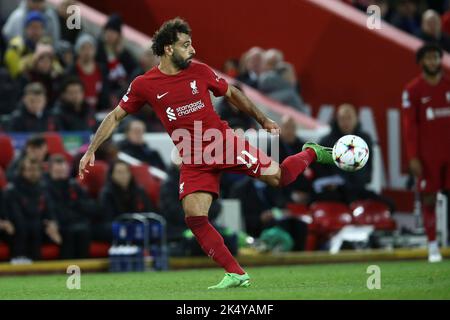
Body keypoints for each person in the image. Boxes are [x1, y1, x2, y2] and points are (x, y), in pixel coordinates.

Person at [78, 18, 334, 289]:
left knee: (280, 178)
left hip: (222, 143)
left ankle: (312, 153)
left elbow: (232, 93)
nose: (192, 50)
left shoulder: (199, 71)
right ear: (167, 49)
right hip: (192, 157)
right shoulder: (144, 84)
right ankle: (236, 273)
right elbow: (116, 115)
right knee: (194, 217)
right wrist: (91, 150)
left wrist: (263, 119)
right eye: (185, 45)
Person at [402, 43, 450, 263]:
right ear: (421, 62)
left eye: (436, 57)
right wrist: (413, 156)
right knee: (429, 199)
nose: (433, 62)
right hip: (427, 156)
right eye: (429, 58)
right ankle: (433, 246)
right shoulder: (413, 90)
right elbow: (410, 125)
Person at [3, 157, 61, 261]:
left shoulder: (43, 188)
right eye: (29, 170)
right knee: (25, 227)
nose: (33, 173)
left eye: (35, 170)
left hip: (37, 228)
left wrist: (52, 223)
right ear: (22, 172)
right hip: (16, 229)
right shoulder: (12, 190)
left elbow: (49, 211)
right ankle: (18, 261)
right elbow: (15, 216)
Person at [45, 154, 95, 259]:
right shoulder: (45, 187)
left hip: (76, 221)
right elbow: (50, 209)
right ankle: (68, 268)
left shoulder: (74, 185)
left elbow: (89, 205)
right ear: (50, 171)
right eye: (58, 172)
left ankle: (83, 267)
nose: (61, 175)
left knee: (83, 229)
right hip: (59, 224)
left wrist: (79, 205)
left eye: (63, 171)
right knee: (69, 232)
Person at [95, 160, 156, 241]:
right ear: (112, 175)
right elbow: (108, 219)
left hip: (137, 225)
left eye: (126, 172)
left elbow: (149, 211)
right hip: (117, 227)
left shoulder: (139, 190)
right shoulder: (107, 193)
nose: (124, 175)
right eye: (119, 172)